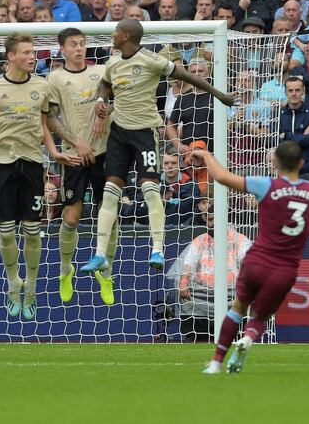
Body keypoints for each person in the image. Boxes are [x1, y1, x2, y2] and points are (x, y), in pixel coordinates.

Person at [80, 19, 236, 275]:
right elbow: (106, 83)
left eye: (116, 31)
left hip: (144, 133)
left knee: (151, 190)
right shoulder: (113, 62)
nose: (112, 34)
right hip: (118, 133)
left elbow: (186, 75)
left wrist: (219, 95)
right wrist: (101, 99)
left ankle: (157, 249)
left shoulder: (151, 60)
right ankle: (99, 255)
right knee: (109, 193)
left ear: (127, 36)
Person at [0, 32, 78, 320]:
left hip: (32, 164)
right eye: (25, 52)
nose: (31, 56)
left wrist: (55, 152)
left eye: (33, 52)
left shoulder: (42, 86)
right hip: (1, 165)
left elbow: (46, 124)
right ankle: (14, 284)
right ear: (11, 56)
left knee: (33, 232)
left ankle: (32, 288)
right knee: (6, 232)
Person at [197, 141, 309, 374]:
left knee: (237, 308)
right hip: (286, 269)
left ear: (275, 162)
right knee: (261, 315)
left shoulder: (266, 184)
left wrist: (206, 154)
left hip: (257, 261)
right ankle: (247, 338)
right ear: (302, 163)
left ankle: (216, 362)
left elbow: (222, 176)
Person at [44, 28, 117, 306]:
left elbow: (119, 102)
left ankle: (106, 271)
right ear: (62, 49)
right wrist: (77, 141)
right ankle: (65, 269)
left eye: (82, 43)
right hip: (74, 155)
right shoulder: (56, 78)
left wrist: (105, 112)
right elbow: (50, 118)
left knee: (108, 215)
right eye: (73, 44)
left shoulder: (102, 71)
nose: (79, 48)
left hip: (104, 152)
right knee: (71, 218)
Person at [175, 202, 251, 342]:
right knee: (183, 292)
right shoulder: (200, 241)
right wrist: (183, 282)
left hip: (231, 293)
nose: (211, 224)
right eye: (209, 220)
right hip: (201, 294)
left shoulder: (241, 241)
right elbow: (188, 264)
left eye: (213, 219)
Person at [278, 76, 309, 181]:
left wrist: (287, 136)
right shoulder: (279, 115)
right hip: (284, 170)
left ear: (303, 92)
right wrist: (302, 135)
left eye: (297, 90)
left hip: (305, 170)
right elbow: (276, 140)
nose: (294, 93)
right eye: (290, 90)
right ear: (285, 93)